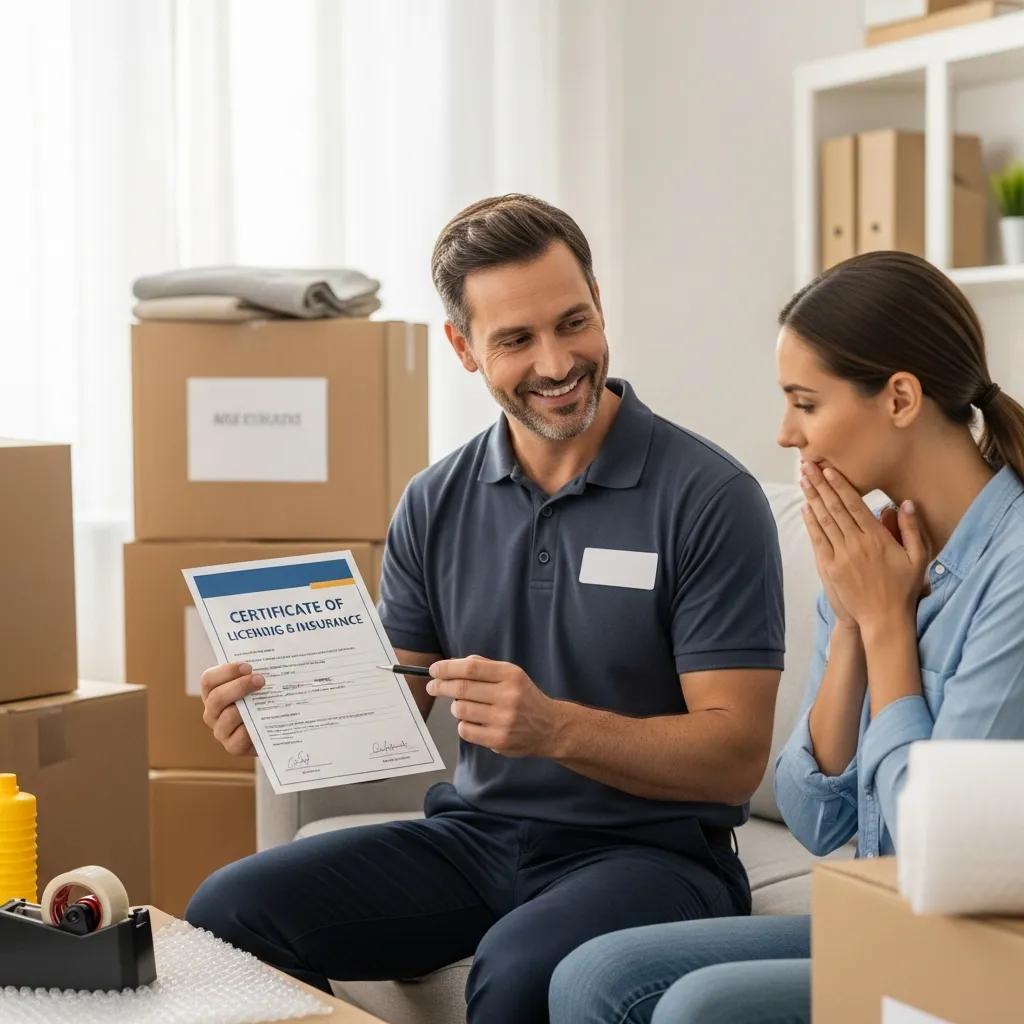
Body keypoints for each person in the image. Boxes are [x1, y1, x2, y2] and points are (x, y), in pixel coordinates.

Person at [184, 194, 784, 1024]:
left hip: (654, 857)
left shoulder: (709, 498)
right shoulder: (435, 501)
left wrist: (555, 728)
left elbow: (736, 756)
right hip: (477, 838)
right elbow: (394, 701)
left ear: (600, 303)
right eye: (516, 339)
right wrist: (279, 717)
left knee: (520, 969)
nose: (557, 362)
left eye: (573, 323)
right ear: (463, 348)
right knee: (226, 912)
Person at [548, 249, 1024, 1024]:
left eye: (805, 402)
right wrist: (853, 629)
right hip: (893, 919)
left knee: (697, 1007)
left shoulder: (1014, 568)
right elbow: (815, 817)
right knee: (591, 976)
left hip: (983, 944)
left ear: (900, 397)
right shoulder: (868, 553)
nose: (784, 433)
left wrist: (886, 628)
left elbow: (935, 846)